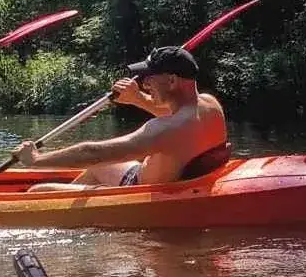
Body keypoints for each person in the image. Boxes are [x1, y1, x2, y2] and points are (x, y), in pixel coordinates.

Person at [13, 46, 229, 192]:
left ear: (172, 81)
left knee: (38, 190)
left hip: (136, 188)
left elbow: (93, 153)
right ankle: (79, 204)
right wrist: (137, 99)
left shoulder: (163, 130)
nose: (145, 84)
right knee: (96, 169)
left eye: (150, 79)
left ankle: (72, 208)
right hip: (160, 178)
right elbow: (171, 114)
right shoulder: (209, 105)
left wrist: (35, 159)